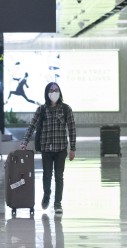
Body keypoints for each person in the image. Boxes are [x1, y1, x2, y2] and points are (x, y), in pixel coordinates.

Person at [20, 81, 76, 216]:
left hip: (61, 148)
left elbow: (72, 129)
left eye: (56, 90)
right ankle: (46, 195)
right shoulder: (41, 110)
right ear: (47, 93)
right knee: (47, 175)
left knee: (59, 176)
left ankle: (58, 203)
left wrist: (72, 148)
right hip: (46, 148)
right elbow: (32, 126)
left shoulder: (66, 109)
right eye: (51, 90)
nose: (54, 92)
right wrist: (25, 142)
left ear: (60, 92)